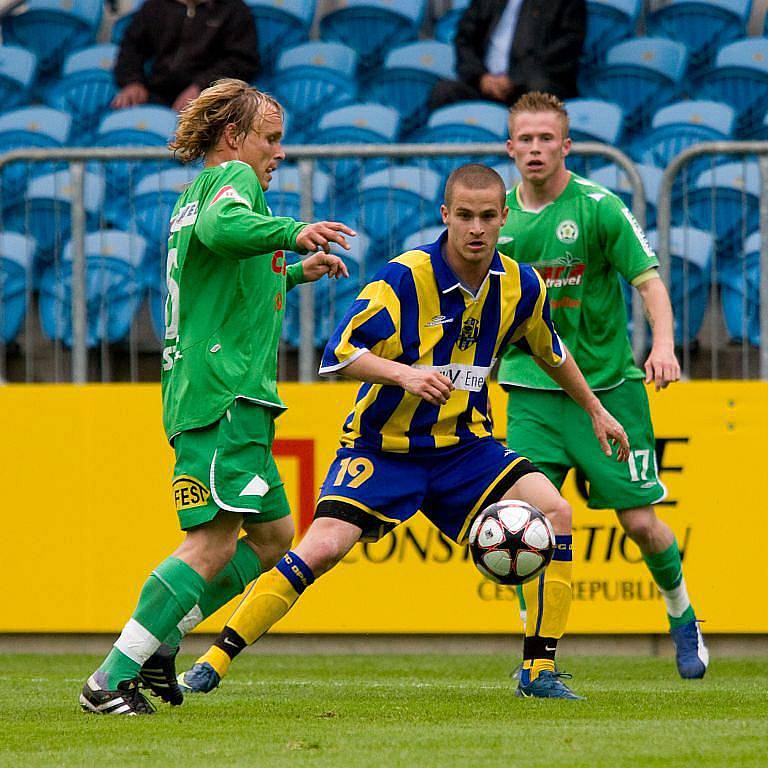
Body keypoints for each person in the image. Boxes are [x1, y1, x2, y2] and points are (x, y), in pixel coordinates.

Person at [178, 163, 629, 701]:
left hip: (465, 448)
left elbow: (551, 352)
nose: (476, 228)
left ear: (504, 218)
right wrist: (405, 374)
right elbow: (340, 352)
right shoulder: (405, 276)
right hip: (383, 448)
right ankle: (213, 661)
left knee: (557, 513)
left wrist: (596, 409)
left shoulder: (520, 285)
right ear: (446, 216)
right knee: (320, 549)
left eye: (488, 216)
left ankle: (539, 672)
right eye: (464, 216)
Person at [79, 79, 356, 715]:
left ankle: (160, 642)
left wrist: (291, 269)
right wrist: (294, 232)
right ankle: (109, 678)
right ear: (234, 138)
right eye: (271, 139)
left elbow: (224, 266)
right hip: (221, 393)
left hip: (230, 393)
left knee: (275, 540)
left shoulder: (200, 193)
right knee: (211, 544)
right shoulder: (232, 185)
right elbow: (225, 226)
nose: (279, 153)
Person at [498, 91, 708, 684]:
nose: (536, 149)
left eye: (547, 139)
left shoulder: (599, 207)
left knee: (641, 524)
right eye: (526, 140)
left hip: (610, 388)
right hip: (532, 392)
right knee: (524, 524)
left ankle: (681, 614)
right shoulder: (501, 220)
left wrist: (663, 346)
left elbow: (650, 283)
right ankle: (537, 657)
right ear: (510, 148)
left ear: (565, 146)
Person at [429, 0, 586, 111]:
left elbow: (565, 49)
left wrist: (514, 78)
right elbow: (464, 39)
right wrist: (481, 77)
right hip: (485, 84)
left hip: (530, 85)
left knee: (541, 94)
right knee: (444, 92)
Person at [112, 0, 260, 112]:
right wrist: (133, 82)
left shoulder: (234, 10)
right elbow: (131, 48)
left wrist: (202, 87)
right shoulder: (155, 6)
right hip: (155, 94)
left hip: (212, 100)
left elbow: (242, 61)